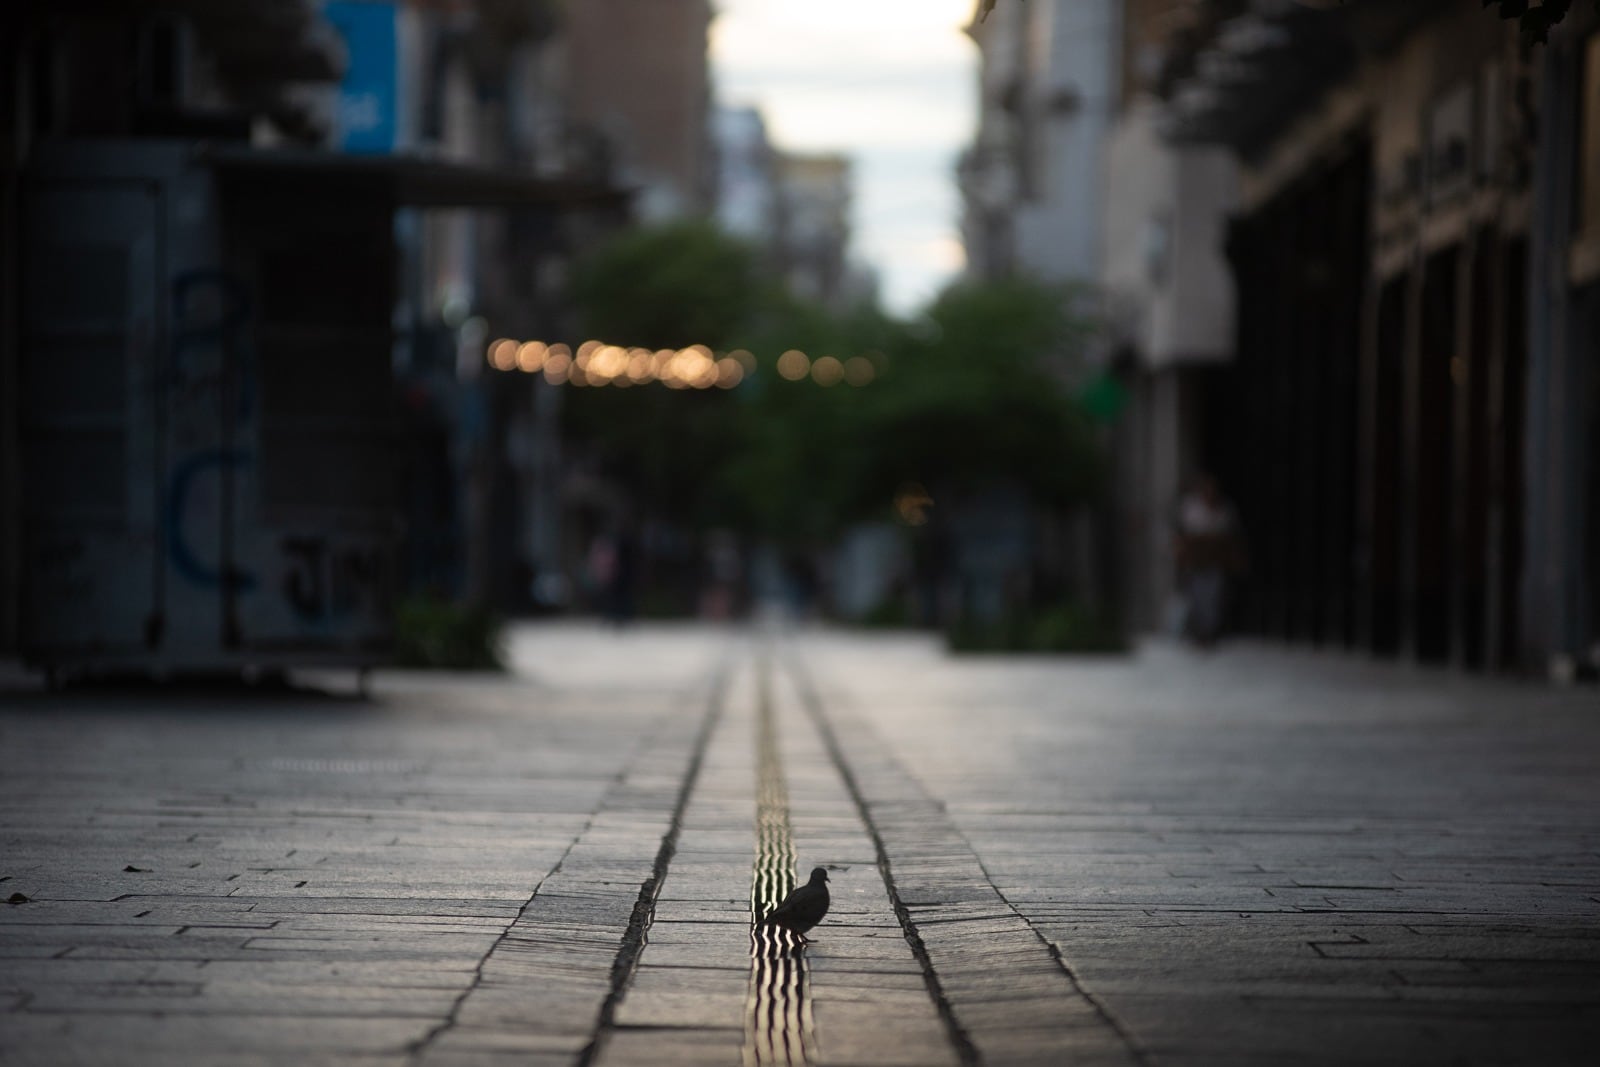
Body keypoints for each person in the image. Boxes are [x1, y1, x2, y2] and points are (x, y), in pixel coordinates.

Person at [1172, 473, 1243, 647]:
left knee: (1213, 597)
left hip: (1214, 561)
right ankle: (1198, 633)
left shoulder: (1224, 509)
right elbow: (1184, 534)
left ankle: (1209, 633)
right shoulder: (1191, 508)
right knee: (1197, 597)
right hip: (1196, 561)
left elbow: (1230, 536)